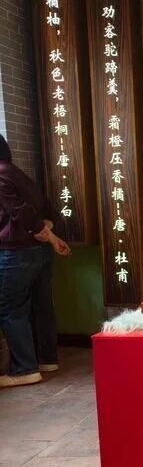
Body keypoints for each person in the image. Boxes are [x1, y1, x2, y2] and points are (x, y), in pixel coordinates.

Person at [0, 134, 70, 388]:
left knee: (9, 308)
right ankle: (47, 359)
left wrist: (48, 235)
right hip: (38, 252)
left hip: (16, 251)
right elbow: (46, 210)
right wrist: (50, 235)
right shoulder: (18, 173)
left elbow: (22, 213)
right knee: (40, 304)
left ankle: (24, 369)